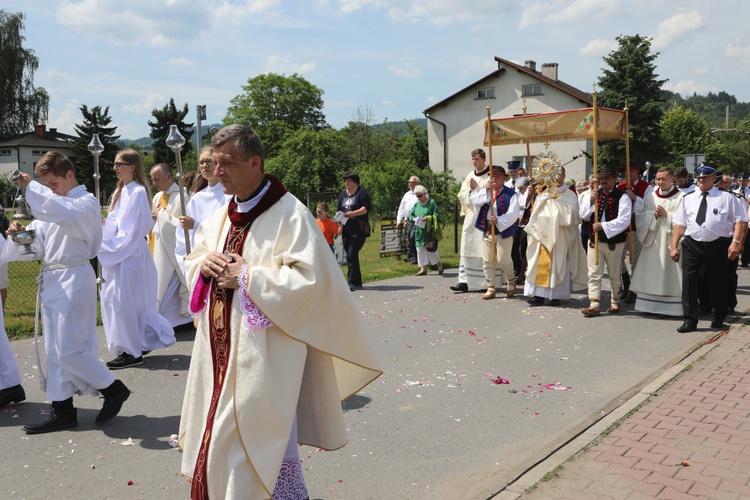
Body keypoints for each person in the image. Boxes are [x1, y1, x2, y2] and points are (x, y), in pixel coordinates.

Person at [178, 124, 382, 499]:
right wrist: (204, 264)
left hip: (264, 356)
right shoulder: (223, 213)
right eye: (214, 163)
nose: (217, 171)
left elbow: (309, 282)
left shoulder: (291, 213)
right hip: (219, 351)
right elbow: (195, 256)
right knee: (221, 437)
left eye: (227, 163)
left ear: (255, 162)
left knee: (252, 443)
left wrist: (248, 275)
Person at [1, 152, 130, 433]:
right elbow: (38, 245)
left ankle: (113, 388)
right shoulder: (54, 205)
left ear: (70, 175)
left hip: (74, 276)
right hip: (52, 278)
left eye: (53, 183)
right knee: (55, 349)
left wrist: (31, 187)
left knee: (70, 348)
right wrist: (20, 234)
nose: (50, 190)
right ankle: (62, 410)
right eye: (45, 185)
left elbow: (59, 212)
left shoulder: (84, 203)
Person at [99, 149, 175, 369]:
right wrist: (102, 225)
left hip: (130, 252)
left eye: (118, 164)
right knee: (115, 300)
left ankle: (132, 352)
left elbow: (133, 228)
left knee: (126, 302)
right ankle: (131, 344)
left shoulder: (139, 192)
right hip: (117, 251)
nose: (115, 168)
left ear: (131, 167)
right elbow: (115, 223)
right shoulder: (119, 192)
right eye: (114, 164)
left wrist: (112, 247)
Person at [671, 164, 747, 332]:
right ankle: (690, 320)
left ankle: (719, 316)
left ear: (714, 179)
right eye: (699, 177)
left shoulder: (726, 197)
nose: (701, 180)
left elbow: (738, 221)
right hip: (692, 243)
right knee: (689, 282)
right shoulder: (688, 198)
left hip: (718, 244)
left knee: (717, 281)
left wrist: (735, 242)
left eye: (705, 177)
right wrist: (674, 246)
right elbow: (680, 225)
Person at [524, 167, 588, 306]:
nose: (556, 177)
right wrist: (536, 202)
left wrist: (553, 209)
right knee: (538, 264)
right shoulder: (544, 193)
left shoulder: (569, 194)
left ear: (564, 175)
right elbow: (534, 213)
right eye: (554, 175)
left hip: (559, 237)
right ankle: (538, 296)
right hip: (542, 236)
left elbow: (572, 216)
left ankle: (555, 296)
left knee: (557, 265)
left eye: (559, 175)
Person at [630, 167, 684, 316]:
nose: (660, 182)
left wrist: (667, 215)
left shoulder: (681, 197)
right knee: (651, 272)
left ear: (672, 179)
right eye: (658, 179)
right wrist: (652, 215)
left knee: (671, 273)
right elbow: (640, 215)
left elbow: (686, 220)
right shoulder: (651, 197)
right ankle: (648, 306)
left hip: (670, 242)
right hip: (653, 242)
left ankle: (672, 308)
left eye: (663, 179)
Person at [579, 165, 632, 316]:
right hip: (594, 241)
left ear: (615, 179)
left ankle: (615, 301)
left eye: (607, 178)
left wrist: (603, 226)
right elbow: (584, 215)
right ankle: (594, 303)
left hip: (614, 242)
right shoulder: (594, 195)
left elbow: (624, 220)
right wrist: (590, 201)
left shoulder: (623, 197)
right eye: (601, 179)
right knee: (594, 273)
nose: (604, 182)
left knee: (614, 273)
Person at [149, 163, 192, 329]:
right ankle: (165, 322)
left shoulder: (181, 196)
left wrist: (160, 215)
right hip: (157, 246)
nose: (154, 183)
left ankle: (179, 323)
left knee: (169, 288)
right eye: (152, 180)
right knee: (160, 287)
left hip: (172, 251)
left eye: (157, 179)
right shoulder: (157, 196)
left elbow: (181, 226)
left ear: (168, 176)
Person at [175, 147, 231, 273]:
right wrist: (187, 255)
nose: (205, 165)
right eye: (201, 162)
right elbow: (183, 235)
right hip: (198, 261)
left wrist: (195, 225)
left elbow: (225, 228)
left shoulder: (228, 195)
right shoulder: (197, 198)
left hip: (219, 260)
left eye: (209, 161)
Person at [450, 149, 494, 293]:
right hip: (471, 215)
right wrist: (471, 191)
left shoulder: (491, 175)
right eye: (473, 159)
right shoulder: (470, 175)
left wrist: (478, 189)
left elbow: (492, 195)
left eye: (477, 159)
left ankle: (484, 282)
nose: (474, 162)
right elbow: (462, 196)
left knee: (482, 249)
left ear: (484, 159)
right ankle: (463, 281)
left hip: (485, 215)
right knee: (467, 245)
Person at [472, 164, 519, 300]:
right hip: (488, 230)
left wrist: (498, 220)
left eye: (498, 176)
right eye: (493, 176)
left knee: (503, 259)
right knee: (487, 260)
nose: (495, 178)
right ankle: (490, 287)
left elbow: (514, 213)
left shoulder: (511, 194)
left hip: (504, 231)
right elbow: (475, 202)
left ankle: (511, 281)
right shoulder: (486, 190)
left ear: (504, 178)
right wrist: (486, 191)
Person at [617, 161, 653, 304]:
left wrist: (634, 198)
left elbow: (649, 206)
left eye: (631, 170)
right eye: (626, 171)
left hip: (636, 227)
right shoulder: (619, 187)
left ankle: (634, 289)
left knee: (635, 260)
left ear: (638, 171)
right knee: (618, 258)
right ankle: (626, 283)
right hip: (621, 228)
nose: (628, 173)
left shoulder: (646, 187)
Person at [337, 171, 372, 292]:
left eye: (349, 181)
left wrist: (353, 213)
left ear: (355, 182)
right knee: (352, 256)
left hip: (359, 229)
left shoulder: (361, 193)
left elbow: (366, 208)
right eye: (345, 181)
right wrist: (338, 217)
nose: (346, 183)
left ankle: (351, 282)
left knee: (351, 254)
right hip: (346, 230)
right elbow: (339, 209)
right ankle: (358, 281)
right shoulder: (342, 195)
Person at [409, 185, 443, 276]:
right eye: (417, 196)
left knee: (430, 248)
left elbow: (437, 215)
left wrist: (428, 218)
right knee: (420, 249)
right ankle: (423, 268)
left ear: (425, 194)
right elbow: (411, 215)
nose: (419, 198)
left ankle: (438, 264)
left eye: (420, 196)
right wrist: (414, 219)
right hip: (419, 230)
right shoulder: (416, 204)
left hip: (428, 230)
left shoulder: (431, 203)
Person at [396, 176, 420, 264]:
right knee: (410, 238)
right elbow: (402, 208)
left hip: (418, 220)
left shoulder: (421, 193)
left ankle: (415, 257)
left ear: (417, 183)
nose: (409, 184)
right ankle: (412, 256)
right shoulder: (407, 195)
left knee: (413, 237)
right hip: (409, 220)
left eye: (411, 182)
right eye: (409, 182)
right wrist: (401, 220)